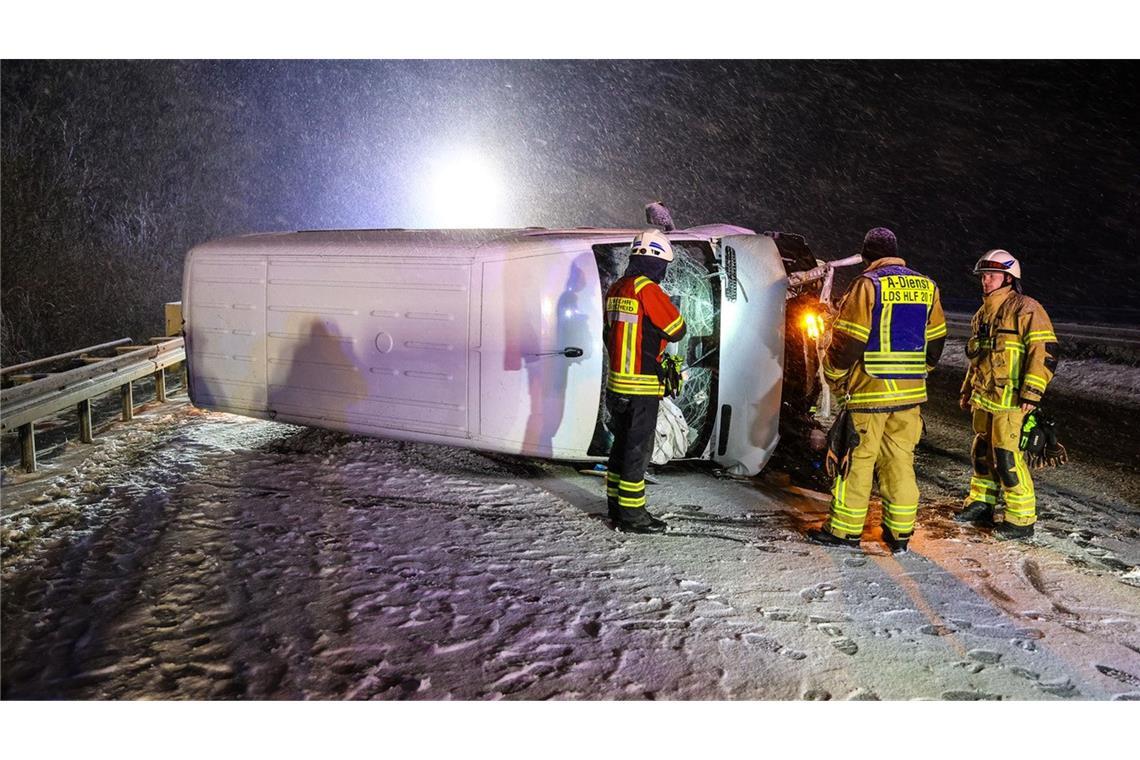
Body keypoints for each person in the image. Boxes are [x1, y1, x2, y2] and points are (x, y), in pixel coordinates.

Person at [808, 227, 947, 553]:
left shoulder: (867, 285)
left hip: (870, 393)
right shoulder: (927, 286)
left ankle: (844, 531)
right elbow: (937, 339)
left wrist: (832, 373)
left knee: (855, 462)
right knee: (900, 462)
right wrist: (920, 371)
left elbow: (850, 339)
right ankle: (899, 534)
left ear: (867, 256)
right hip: (910, 397)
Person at [955, 249, 1058, 539]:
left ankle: (1021, 518)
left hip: (1012, 401)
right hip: (985, 398)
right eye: (983, 276)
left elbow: (1045, 353)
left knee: (1007, 458)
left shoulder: (1027, 309)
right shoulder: (982, 314)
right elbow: (977, 359)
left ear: (1009, 278)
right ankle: (982, 503)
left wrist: (1032, 392)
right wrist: (966, 390)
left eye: (992, 275)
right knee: (982, 453)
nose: (985, 281)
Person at [603, 228, 687, 533]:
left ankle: (615, 507)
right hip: (642, 387)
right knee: (637, 452)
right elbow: (677, 328)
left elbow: (608, 334)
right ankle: (633, 516)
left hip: (616, 386)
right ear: (657, 263)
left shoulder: (616, 287)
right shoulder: (647, 289)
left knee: (621, 447)